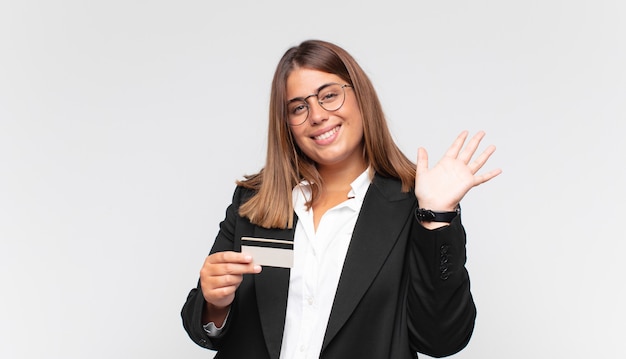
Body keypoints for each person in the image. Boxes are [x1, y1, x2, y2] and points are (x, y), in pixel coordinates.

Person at [181, 39, 501, 359]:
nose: (317, 115)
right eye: (298, 107)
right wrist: (214, 305)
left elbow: (441, 340)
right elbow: (201, 322)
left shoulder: (411, 208)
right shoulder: (254, 202)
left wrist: (437, 215)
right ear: (287, 125)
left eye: (329, 95)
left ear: (360, 96)